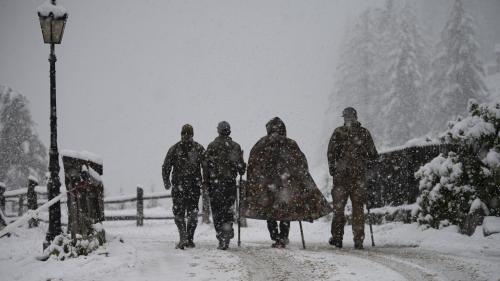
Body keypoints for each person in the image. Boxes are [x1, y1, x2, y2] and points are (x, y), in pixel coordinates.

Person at [243, 117, 331, 248]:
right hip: (286, 185)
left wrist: (255, 181)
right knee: (285, 212)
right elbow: (301, 163)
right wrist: (300, 178)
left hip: (268, 186)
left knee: (270, 211)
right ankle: (283, 237)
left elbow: (253, 164)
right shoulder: (290, 143)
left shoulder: (261, 144)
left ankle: (275, 236)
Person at [327, 107, 378, 249]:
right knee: (358, 209)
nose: (347, 119)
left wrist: (333, 169)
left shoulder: (338, 132)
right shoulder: (363, 133)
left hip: (341, 178)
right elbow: (373, 155)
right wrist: (366, 168)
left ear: (345, 118)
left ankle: (337, 238)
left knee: (339, 209)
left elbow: (331, 153)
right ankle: (358, 240)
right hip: (358, 178)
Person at [203, 121, 246, 250]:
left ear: (218, 131)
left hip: (215, 185)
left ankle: (222, 236)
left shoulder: (211, 146)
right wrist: (242, 165)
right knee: (227, 210)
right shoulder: (235, 147)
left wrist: (206, 181)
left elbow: (205, 166)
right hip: (229, 185)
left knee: (217, 212)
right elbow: (241, 170)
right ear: (229, 131)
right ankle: (227, 232)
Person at [162, 124, 205, 249]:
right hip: (192, 186)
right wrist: (205, 181)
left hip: (180, 185)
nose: (186, 136)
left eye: (187, 133)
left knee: (179, 212)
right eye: (185, 133)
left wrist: (166, 181)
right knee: (192, 211)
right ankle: (188, 238)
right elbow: (207, 165)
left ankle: (184, 237)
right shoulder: (198, 148)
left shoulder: (175, 149)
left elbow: (166, 167)